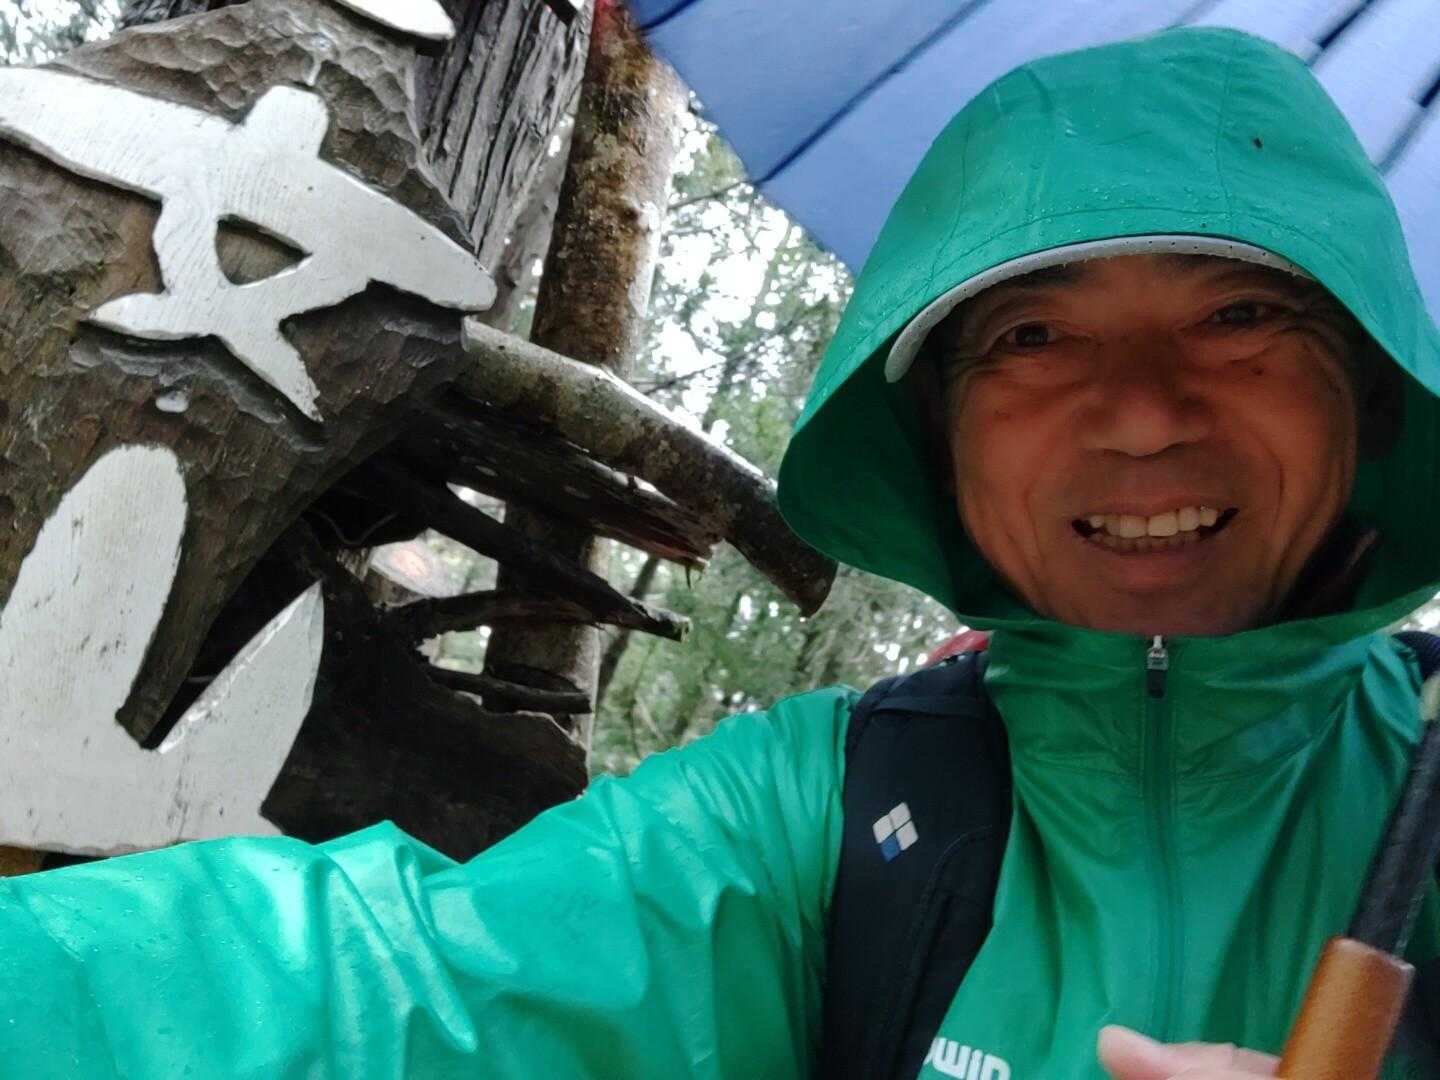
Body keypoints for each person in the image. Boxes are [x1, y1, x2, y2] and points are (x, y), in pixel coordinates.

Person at [4, 24, 1440, 1080]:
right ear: (936, 436)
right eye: (1032, 333)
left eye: (1243, 317)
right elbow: (403, 999)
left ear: (1370, 389)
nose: (1140, 414)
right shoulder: (832, 808)